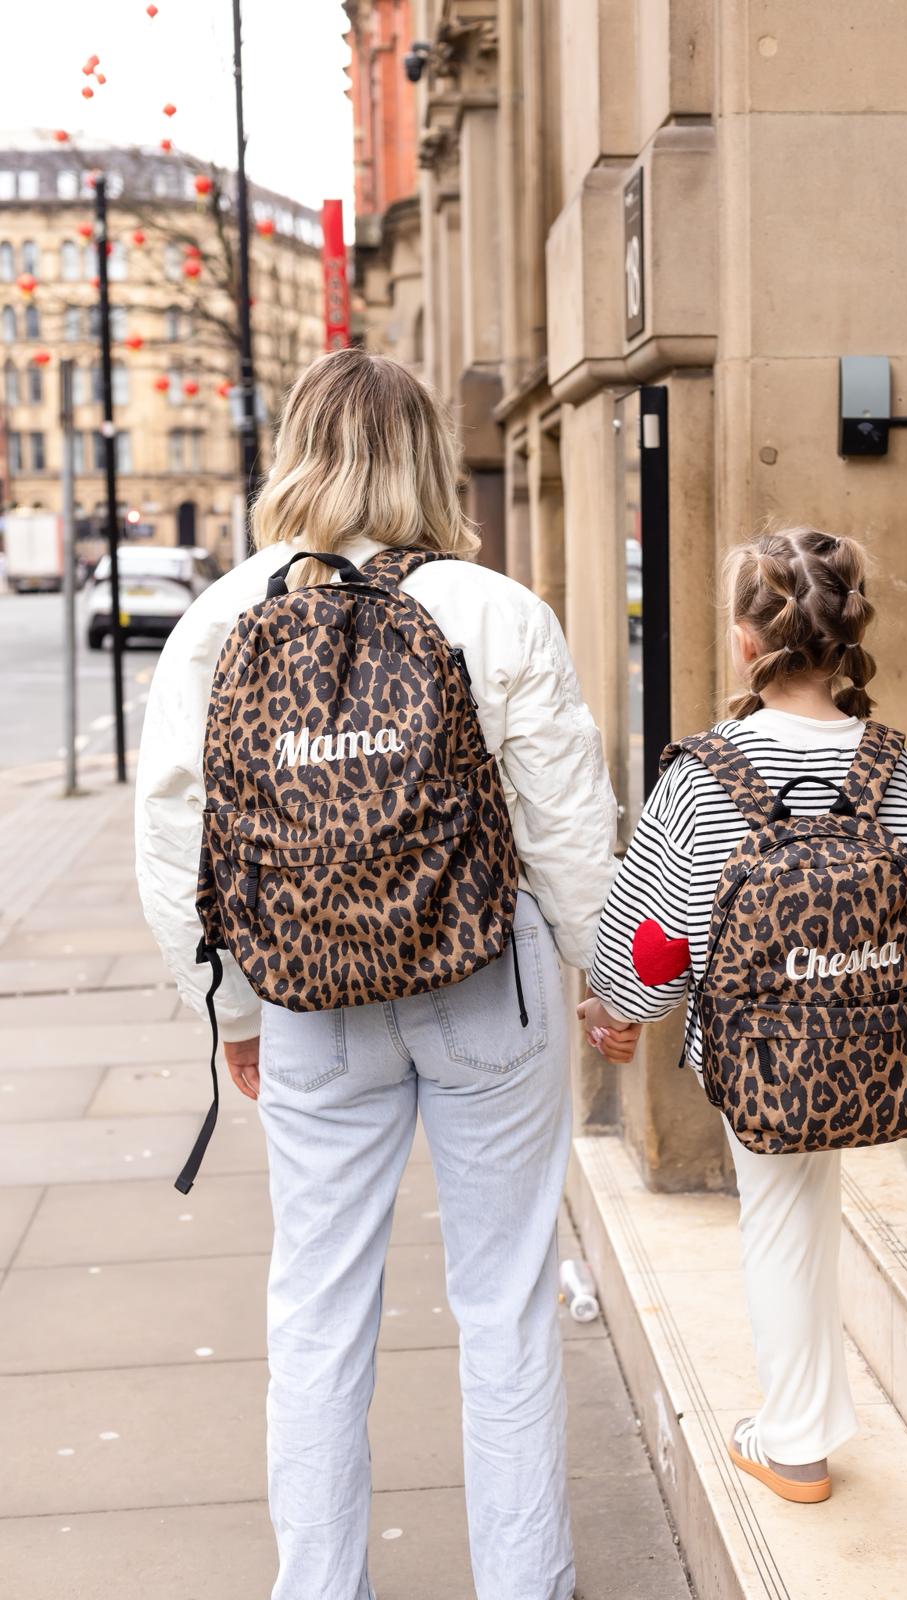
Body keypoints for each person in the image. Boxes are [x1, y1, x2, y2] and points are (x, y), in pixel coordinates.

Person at [135, 348, 640, 1600]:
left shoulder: (220, 615)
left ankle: (319, 1587)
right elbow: (568, 825)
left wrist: (230, 1012)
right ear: (423, 457)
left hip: (308, 1000)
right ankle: (527, 1583)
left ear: (295, 451)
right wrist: (611, 979)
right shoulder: (496, 607)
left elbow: (172, 834)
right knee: (507, 1300)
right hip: (486, 986)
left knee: (314, 1306)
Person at [578, 526, 907, 1504]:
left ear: (747, 645)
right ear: (849, 632)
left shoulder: (705, 772)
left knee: (787, 1217)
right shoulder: (889, 762)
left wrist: (618, 1008)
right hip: (885, 1030)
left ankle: (793, 1440)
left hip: (767, 1060)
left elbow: (655, 931)